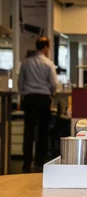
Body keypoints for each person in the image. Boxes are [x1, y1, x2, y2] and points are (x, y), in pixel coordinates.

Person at [18, 36, 58, 173]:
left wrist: (24, 93)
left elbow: (20, 83)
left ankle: (26, 163)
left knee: (28, 131)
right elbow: (54, 84)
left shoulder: (26, 63)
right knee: (42, 131)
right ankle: (40, 162)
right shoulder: (48, 63)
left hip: (29, 99)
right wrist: (51, 93)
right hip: (43, 99)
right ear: (46, 47)